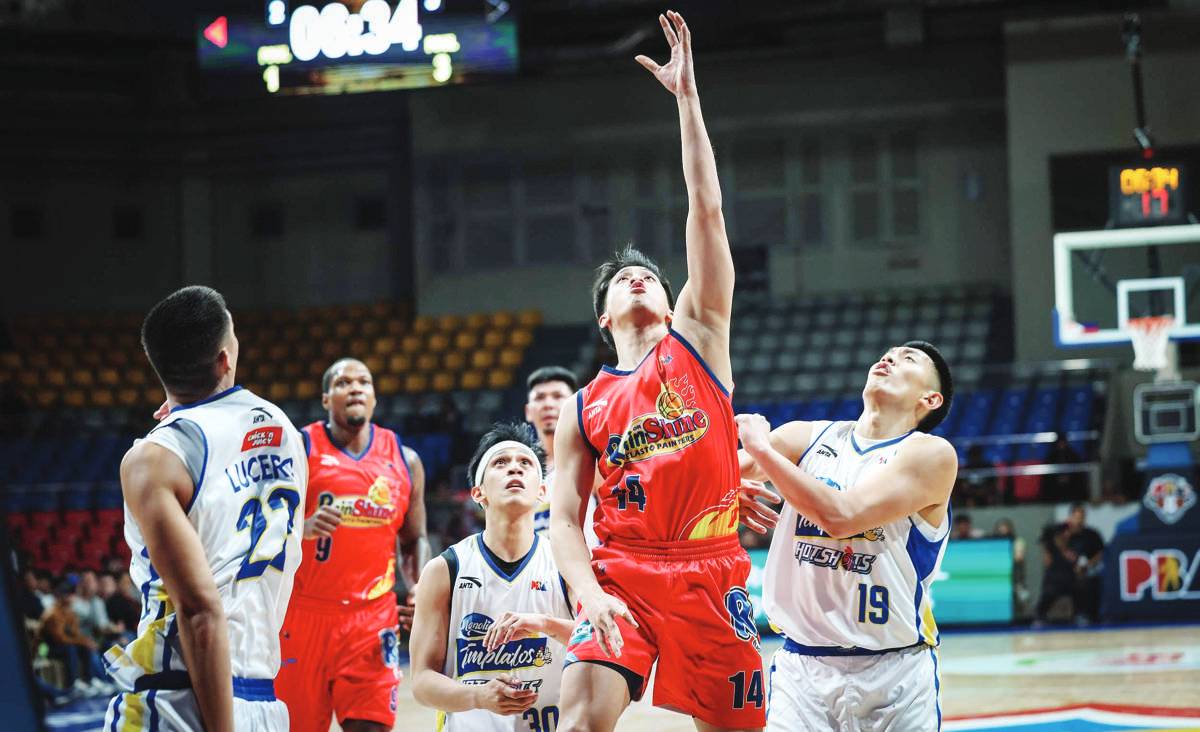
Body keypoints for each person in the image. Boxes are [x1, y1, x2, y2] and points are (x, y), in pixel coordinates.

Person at [549, 12, 771, 731]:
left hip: (714, 569)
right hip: (625, 571)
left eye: (651, 276)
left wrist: (687, 100)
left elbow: (706, 212)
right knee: (582, 717)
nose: (642, 280)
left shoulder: (699, 338)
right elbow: (561, 518)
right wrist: (588, 594)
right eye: (626, 281)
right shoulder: (585, 406)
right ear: (604, 317)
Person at [104, 285, 308, 731]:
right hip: (262, 695)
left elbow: (199, 611)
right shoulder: (286, 432)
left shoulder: (155, 459)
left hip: (180, 694)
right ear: (224, 359)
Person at [737, 340, 957, 731]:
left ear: (931, 398)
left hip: (895, 678)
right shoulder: (808, 437)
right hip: (803, 672)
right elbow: (721, 473)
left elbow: (842, 516)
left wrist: (761, 449)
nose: (889, 358)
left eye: (908, 359)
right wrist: (726, 490)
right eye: (887, 353)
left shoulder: (932, 455)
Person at [276, 357, 428, 732]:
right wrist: (301, 528)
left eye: (364, 381)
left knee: (371, 726)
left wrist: (418, 588)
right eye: (344, 383)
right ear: (326, 399)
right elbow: (263, 528)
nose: (356, 387)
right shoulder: (299, 448)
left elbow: (413, 538)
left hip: (371, 619)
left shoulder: (404, 459)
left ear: (374, 397)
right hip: (301, 615)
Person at [410, 421, 574, 731]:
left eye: (525, 463)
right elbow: (421, 681)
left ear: (541, 490)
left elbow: (598, 640)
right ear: (478, 492)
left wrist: (544, 624)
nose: (515, 469)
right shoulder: (445, 569)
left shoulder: (565, 562)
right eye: (501, 463)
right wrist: (478, 697)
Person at [525, 366, 578, 536]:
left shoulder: (592, 461)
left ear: (576, 404)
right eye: (540, 398)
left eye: (557, 396)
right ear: (528, 412)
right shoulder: (520, 470)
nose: (548, 404)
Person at [1035, 502, 1104, 626]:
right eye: (1076, 517)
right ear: (1071, 517)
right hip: (1058, 571)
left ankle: (1081, 614)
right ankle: (1040, 615)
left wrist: (1087, 564)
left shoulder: (1090, 534)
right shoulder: (1059, 530)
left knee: (1085, 584)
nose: (1079, 520)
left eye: (1081, 517)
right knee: (1051, 586)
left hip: (1077, 572)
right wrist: (1047, 553)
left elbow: (1101, 552)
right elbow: (1044, 538)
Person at [42, 580, 111, 697]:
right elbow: (60, 639)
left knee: (85, 648)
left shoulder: (70, 612)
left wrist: (85, 642)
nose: (73, 598)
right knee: (71, 649)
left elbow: (75, 634)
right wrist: (82, 642)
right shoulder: (52, 613)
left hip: (67, 645)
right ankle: (74, 683)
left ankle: (90, 681)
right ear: (62, 597)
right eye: (70, 595)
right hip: (50, 648)